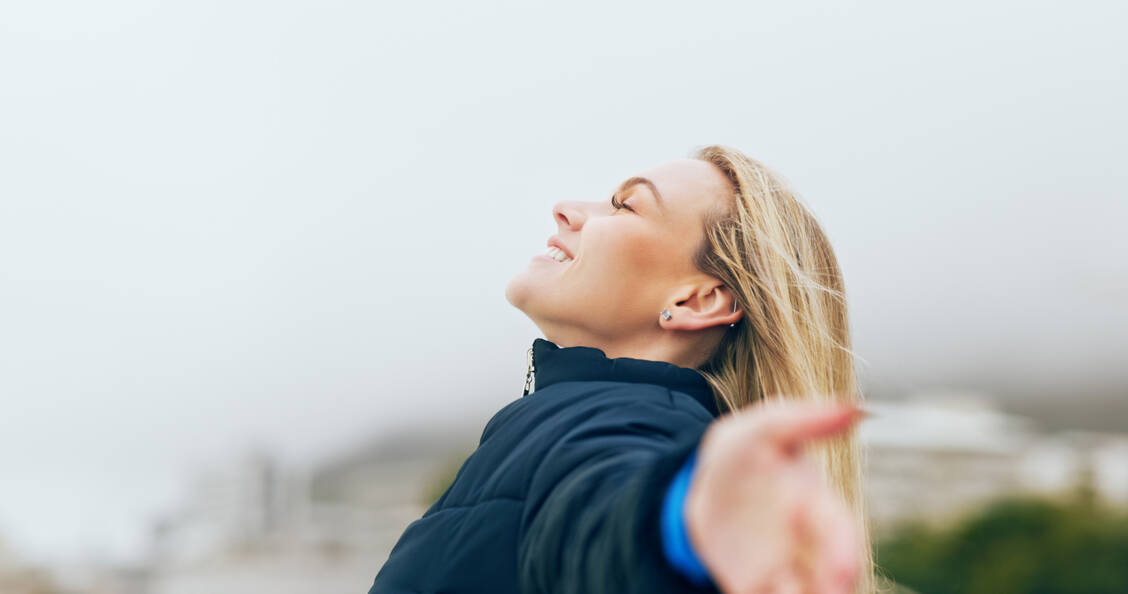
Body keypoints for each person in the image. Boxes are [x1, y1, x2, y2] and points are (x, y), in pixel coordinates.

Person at [367, 145, 874, 594]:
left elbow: (602, 512)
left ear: (696, 300)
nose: (565, 209)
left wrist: (680, 523)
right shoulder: (569, 416)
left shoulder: (615, 422)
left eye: (625, 205)